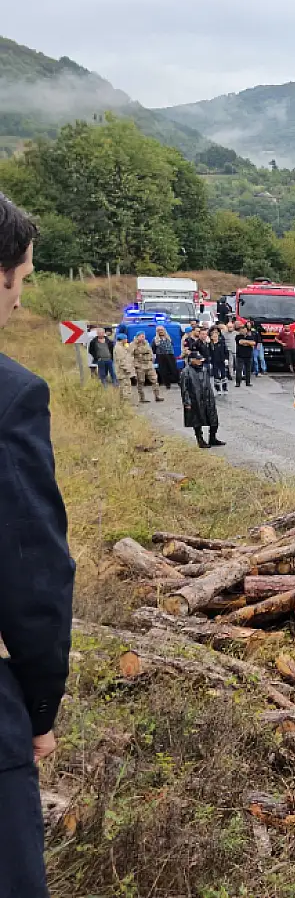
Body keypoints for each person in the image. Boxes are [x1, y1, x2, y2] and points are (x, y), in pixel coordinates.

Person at [0, 192, 75, 898]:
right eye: (20, 279)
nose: (20, 300)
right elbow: (33, 574)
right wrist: (39, 708)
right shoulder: (10, 397)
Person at [180, 352, 224, 447]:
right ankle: (200, 440)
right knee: (196, 421)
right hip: (195, 399)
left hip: (207, 397)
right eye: (198, 360)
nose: (200, 361)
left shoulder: (204, 369)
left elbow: (207, 383)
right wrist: (187, 402)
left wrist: (211, 395)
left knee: (213, 419)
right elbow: (184, 388)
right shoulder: (186, 371)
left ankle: (212, 438)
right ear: (192, 360)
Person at [130, 328, 161, 403]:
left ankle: (157, 396)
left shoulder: (146, 343)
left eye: (143, 336)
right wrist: (134, 365)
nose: (143, 337)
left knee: (155, 380)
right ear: (137, 337)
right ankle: (142, 398)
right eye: (141, 336)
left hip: (149, 364)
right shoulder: (133, 344)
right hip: (140, 365)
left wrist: (152, 359)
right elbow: (130, 355)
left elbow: (150, 352)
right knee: (141, 381)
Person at [152, 326, 179, 390]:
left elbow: (172, 345)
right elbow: (153, 348)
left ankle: (179, 382)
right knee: (163, 371)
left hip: (170, 355)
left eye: (161, 330)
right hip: (161, 356)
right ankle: (167, 384)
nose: (160, 331)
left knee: (174, 369)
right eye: (159, 330)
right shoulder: (155, 339)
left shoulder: (169, 338)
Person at [112, 333, 136, 403]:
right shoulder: (119, 348)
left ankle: (123, 401)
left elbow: (129, 351)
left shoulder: (122, 346)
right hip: (122, 371)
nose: (127, 340)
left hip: (124, 370)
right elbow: (121, 360)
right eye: (126, 339)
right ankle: (127, 402)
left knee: (124, 386)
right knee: (125, 386)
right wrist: (128, 369)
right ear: (122, 339)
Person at [233, 323, 257, 387]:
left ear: (246, 330)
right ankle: (238, 382)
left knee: (248, 370)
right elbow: (240, 342)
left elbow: (253, 343)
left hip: (248, 355)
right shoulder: (238, 336)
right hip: (240, 356)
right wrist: (249, 343)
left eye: (244, 330)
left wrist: (246, 342)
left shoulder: (250, 336)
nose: (243, 331)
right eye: (241, 330)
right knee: (239, 369)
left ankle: (248, 382)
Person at [207, 327, 230, 393]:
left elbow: (226, 351)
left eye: (216, 336)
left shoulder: (222, 343)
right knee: (216, 376)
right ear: (211, 337)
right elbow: (208, 354)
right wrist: (210, 362)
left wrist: (226, 359)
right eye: (213, 336)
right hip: (214, 362)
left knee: (223, 375)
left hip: (222, 361)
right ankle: (218, 389)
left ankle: (225, 388)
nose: (215, 337)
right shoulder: (210, 345)